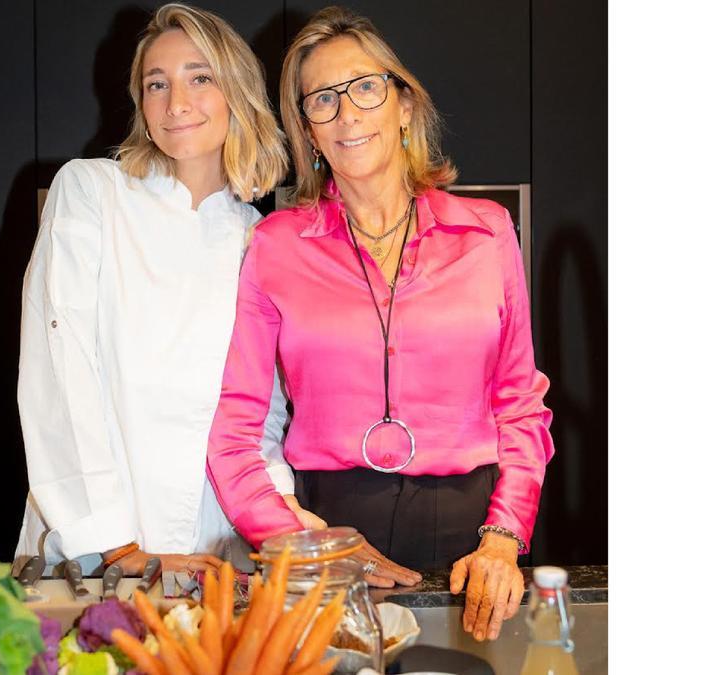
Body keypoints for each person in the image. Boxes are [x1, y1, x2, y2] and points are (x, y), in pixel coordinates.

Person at [205, 6, 556, 642]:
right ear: (307, 130)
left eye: (366, 87)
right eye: (322, 100)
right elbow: (233, 435)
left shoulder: (487, 233)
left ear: (403, 105)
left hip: (472, 540)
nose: (348, 114)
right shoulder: (275, 245)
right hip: (327, 529)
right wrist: (300, 544)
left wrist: (504, 538)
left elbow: (521, 407)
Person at [14, 3, 320, 578]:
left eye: (199, 78)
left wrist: (280, 523)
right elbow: (60, 371)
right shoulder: (90, 192)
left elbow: (264, 415)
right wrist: (118, 549)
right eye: (158, 84)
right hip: (94, 548)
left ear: (237, 93)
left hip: (219, 547)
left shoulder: (261, 239)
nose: (176, 103)